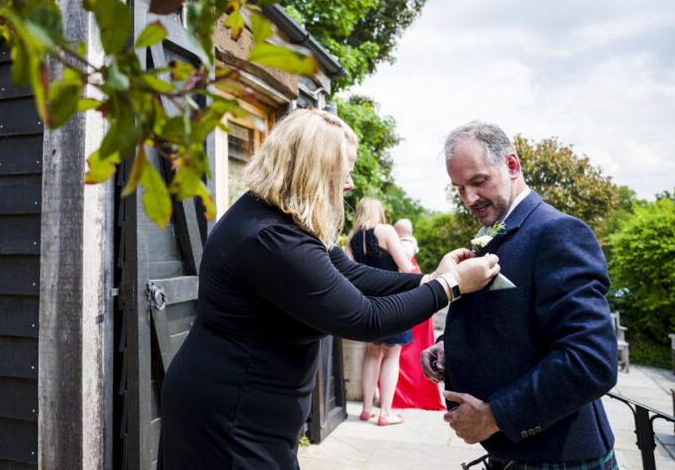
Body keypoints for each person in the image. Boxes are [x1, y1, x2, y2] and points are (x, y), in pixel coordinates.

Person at [158, 108, 500, 470]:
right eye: (345, 171)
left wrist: (428, 278)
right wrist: (451, 286)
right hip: (230, 415)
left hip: (252, 409)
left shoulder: (288, 221)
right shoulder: (270, 237)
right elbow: (363, 318)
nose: (350, 183)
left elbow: (352, 275)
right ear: (314, 168)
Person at [421, 122, 619, 470]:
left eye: (478, 182)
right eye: (459, 188)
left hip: (559, 456)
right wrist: (449, 343)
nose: (469, 199)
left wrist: (495, 416)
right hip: (514, 453)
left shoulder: (559, 232)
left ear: (512, 165)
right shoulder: (496, 229)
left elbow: (591, 361)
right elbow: (509, 321)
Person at [346, 198, 416, 425]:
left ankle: (367, 409)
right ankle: (385, 412)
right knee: (392, 355)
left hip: (366, 303)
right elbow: (406, 267)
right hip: (392, 302)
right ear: (379, 211)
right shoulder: (386, 231)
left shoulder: (351, 238)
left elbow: (349, 273)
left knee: (372, 353)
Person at [390, 218, 446, 412]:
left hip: (408, 307)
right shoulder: (410, 250)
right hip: (417, 309)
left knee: (405, 355)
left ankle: (402, 394)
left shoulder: (400, 249)